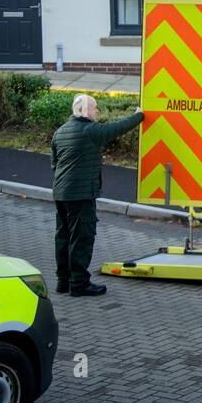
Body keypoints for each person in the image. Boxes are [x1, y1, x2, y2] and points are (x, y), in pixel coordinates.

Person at [51, 94, 144, 297]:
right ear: (84, 111)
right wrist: (139, 116)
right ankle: (79, 284)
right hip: (80, 194)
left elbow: (54, 163)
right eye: (94, 108)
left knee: (63, 236)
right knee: (81, 238)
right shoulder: (90, 130)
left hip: (60, 193)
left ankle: (63, 282)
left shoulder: (60, 131)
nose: (96, 112)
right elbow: (116, 129)